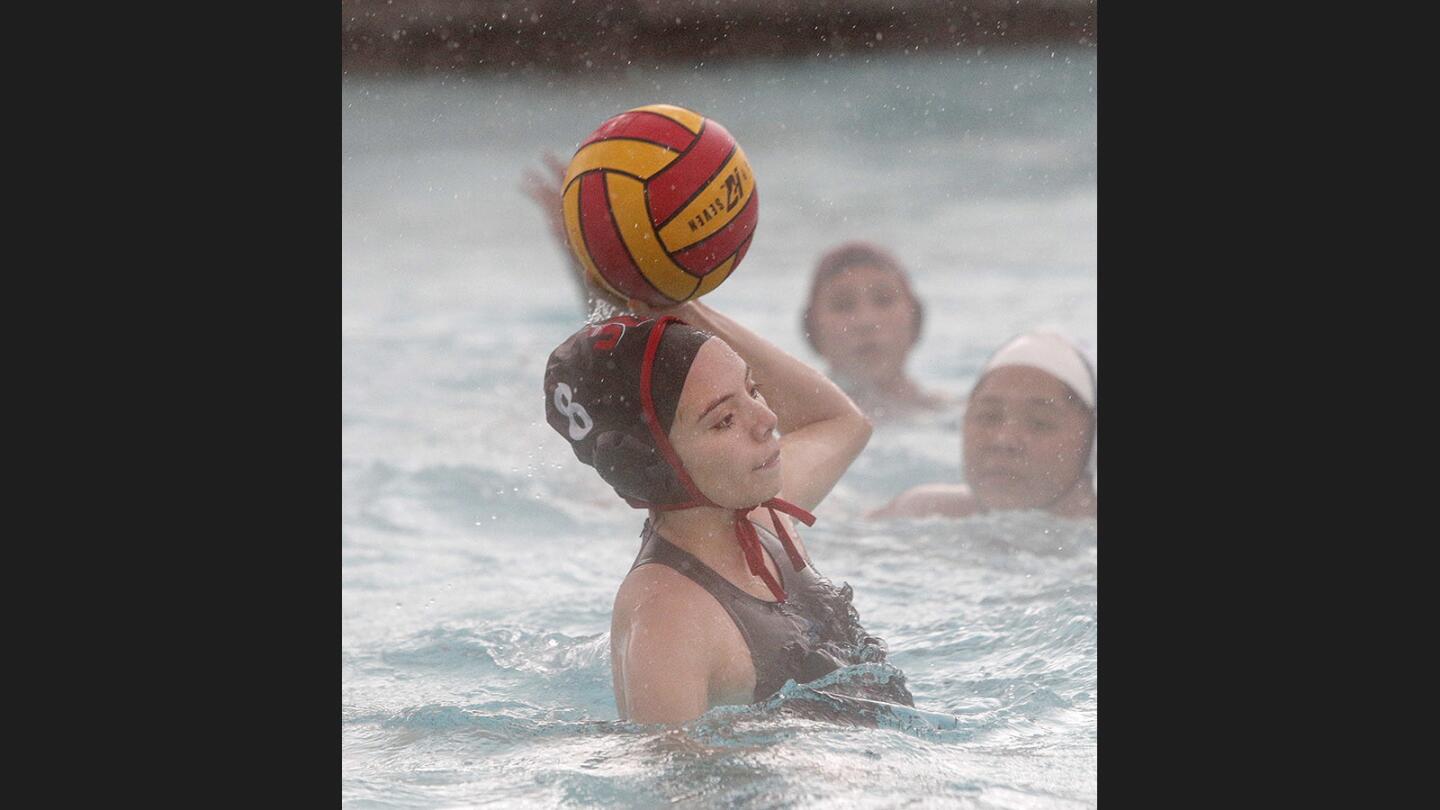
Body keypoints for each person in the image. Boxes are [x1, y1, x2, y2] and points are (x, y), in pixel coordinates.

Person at [544, 299, 912, 724]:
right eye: (724, 420)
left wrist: (684, 307)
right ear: (653, 463)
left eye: (753, 389)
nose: (768, 418)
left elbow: (842, 422)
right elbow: (674, 781)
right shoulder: (668, 616)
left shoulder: (762, 518)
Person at [869, 331, 1097, 520]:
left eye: (1039, 423)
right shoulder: (921, 513)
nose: (1004, 440)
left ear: (1090, 440)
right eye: (988, 416)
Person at [801, 242, 950, 421]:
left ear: (915, 317)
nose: (866, 321)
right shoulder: (783, 421)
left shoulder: (955, 413)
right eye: (843, 305)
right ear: (812, 327)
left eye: (884, 300)